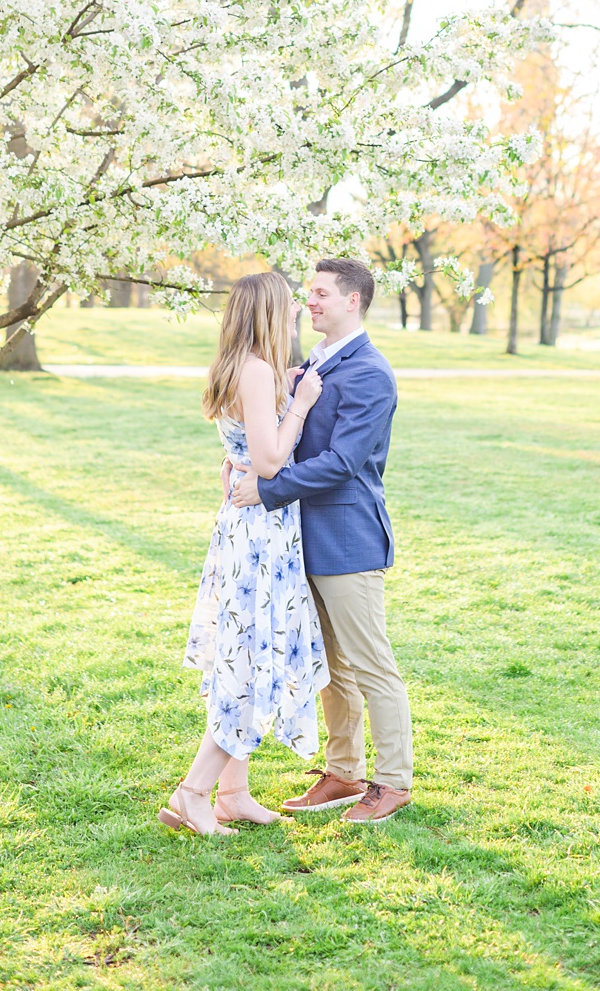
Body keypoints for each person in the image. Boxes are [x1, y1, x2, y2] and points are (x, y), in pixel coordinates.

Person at [229, 255, 415, 824]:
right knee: (330, 666)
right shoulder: (315, 361)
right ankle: (343, 772)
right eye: (308, 293)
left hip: (348, 538)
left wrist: (268, 489)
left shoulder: (370, 373)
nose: (309, 302)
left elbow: (341, 462)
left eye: (321, 294)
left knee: (370, 663)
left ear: (353, 301)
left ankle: (393, 782)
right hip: (303, 539)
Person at [165, 269, 330, 836]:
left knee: (251, 649)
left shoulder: (240, 367)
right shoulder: (257, 373)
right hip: (260, 532)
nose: (294, 315)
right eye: (287, 308)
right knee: (249, 660)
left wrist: (285, 386)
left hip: (247, 528)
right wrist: (302, 403)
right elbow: (269, 462)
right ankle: (193, 792)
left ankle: (233, 792)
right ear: (267, 313)